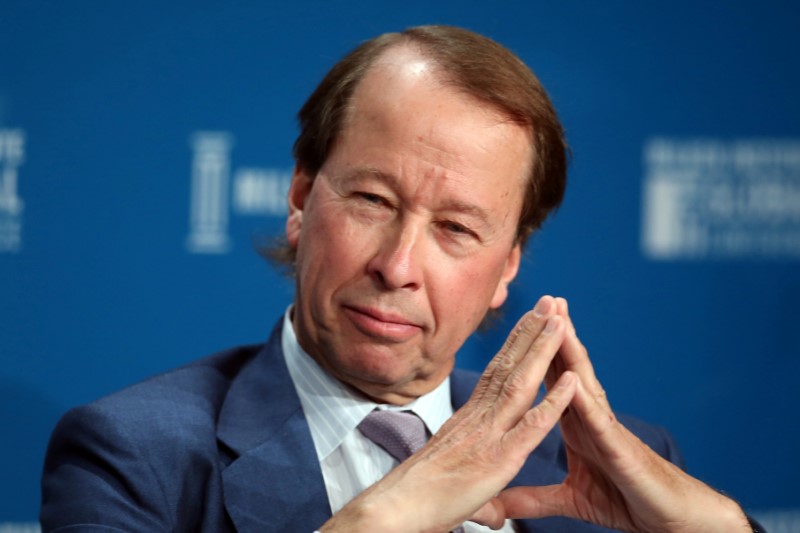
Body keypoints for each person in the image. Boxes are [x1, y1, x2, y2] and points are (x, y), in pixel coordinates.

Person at [41, 25, 760, 532]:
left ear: (507, 265)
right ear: (300, 200)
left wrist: (722, 526)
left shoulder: (616, 464)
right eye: (373, 201)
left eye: (456, 229)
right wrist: (385, 515)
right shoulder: (136, 455)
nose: (398, 266)